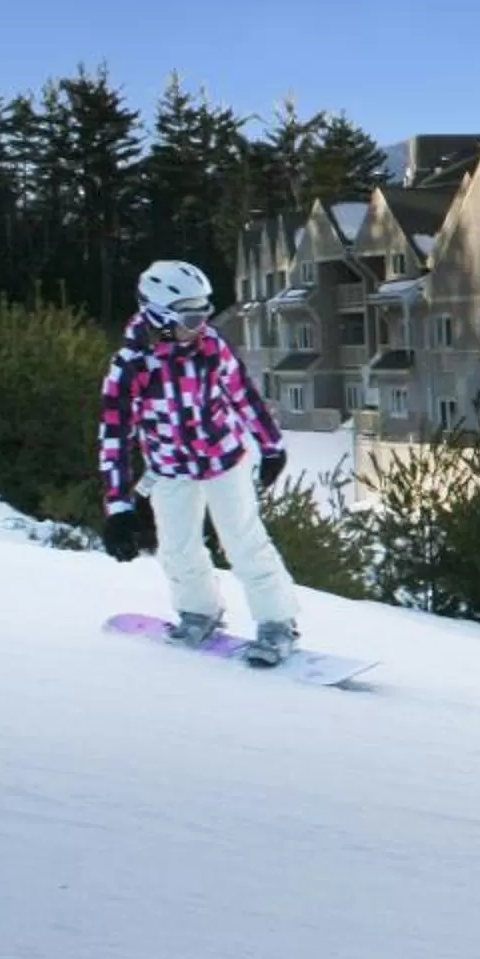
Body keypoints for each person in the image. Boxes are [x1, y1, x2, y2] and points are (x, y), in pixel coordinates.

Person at [97, 260, 304, 666]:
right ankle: (199, 612)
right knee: (176, 549)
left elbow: (242, 395)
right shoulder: (131, 366)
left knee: (245, 542)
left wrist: (271, 446)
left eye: (205, 314)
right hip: (170, 469)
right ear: (159, 316)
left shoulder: (211, 348)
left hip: (224, 460)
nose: (200, 325)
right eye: (191, 317)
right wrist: (119, 508)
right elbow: (114, 438)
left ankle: (277, 624)